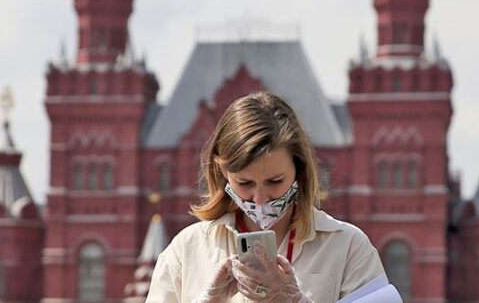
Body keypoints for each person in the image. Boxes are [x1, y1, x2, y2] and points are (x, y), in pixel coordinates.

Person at [146, 91, 387, 302]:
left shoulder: (347, 247)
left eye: (275, 181)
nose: (260, 199)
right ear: (223, 173)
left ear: (299, 170)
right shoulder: (187, 251)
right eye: (245, 183)